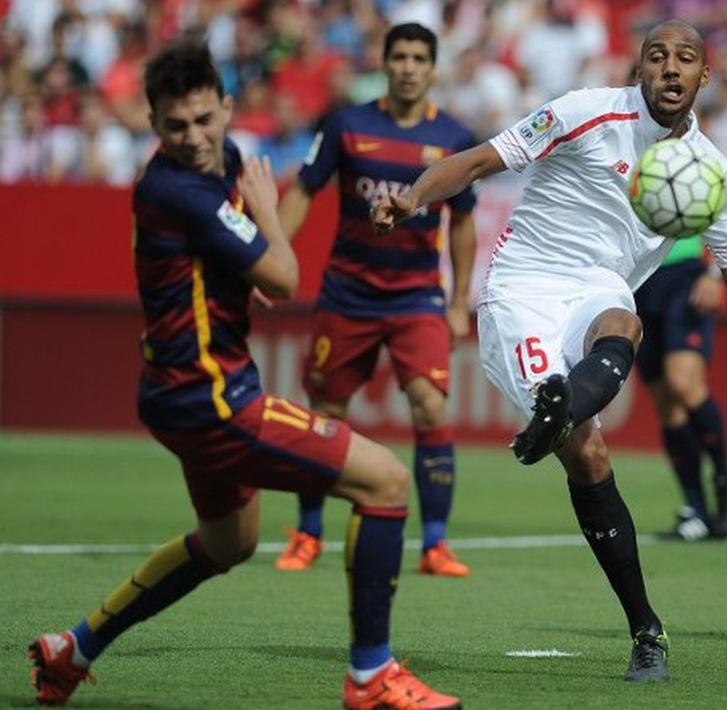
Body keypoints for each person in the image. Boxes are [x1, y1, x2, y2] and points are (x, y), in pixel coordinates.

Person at [373, 20, 727, 682]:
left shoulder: (711, 174)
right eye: (656, 56)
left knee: (621, 323)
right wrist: (413, 196)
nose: (669, 68)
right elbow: (479, 160)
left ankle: (639, 617)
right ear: (639, 68)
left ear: (703, 77)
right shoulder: (584, 113)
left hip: (598, 292)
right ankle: (571, 438)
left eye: (684, 58)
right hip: (521, 291)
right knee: (590, 454)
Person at [27, 42, 460, 710]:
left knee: (230, 541)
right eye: (176, 127)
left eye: (204, 119)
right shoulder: (178, 189)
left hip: (179, 392)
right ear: (153, 125)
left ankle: (73, 648)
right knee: (385, 481)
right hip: (211, 400)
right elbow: (283, 278)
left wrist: (250, 233)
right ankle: (370, 677)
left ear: (226, 106)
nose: (194, 138)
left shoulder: (214, 163)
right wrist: (264, 209)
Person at [274, 23, 477, 578]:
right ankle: (309, 533)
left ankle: (435, 544)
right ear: (384, 64)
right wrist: (266, 257)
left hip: (416, 298)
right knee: (326, 414)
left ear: (433, 68)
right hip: (348, 294)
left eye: (419, 58)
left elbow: (463, 224)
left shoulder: (456, 139)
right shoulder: (347, 124)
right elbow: (304, 191)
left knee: (430, 405)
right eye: (400, 56)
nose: (409, 66)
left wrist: (460, 301)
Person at [632, 236, 727, 541]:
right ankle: (696, 509)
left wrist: (714, 274)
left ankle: (725, 482)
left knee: (683, 383)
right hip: (636, 279)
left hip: (683, 276)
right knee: (666, 404)